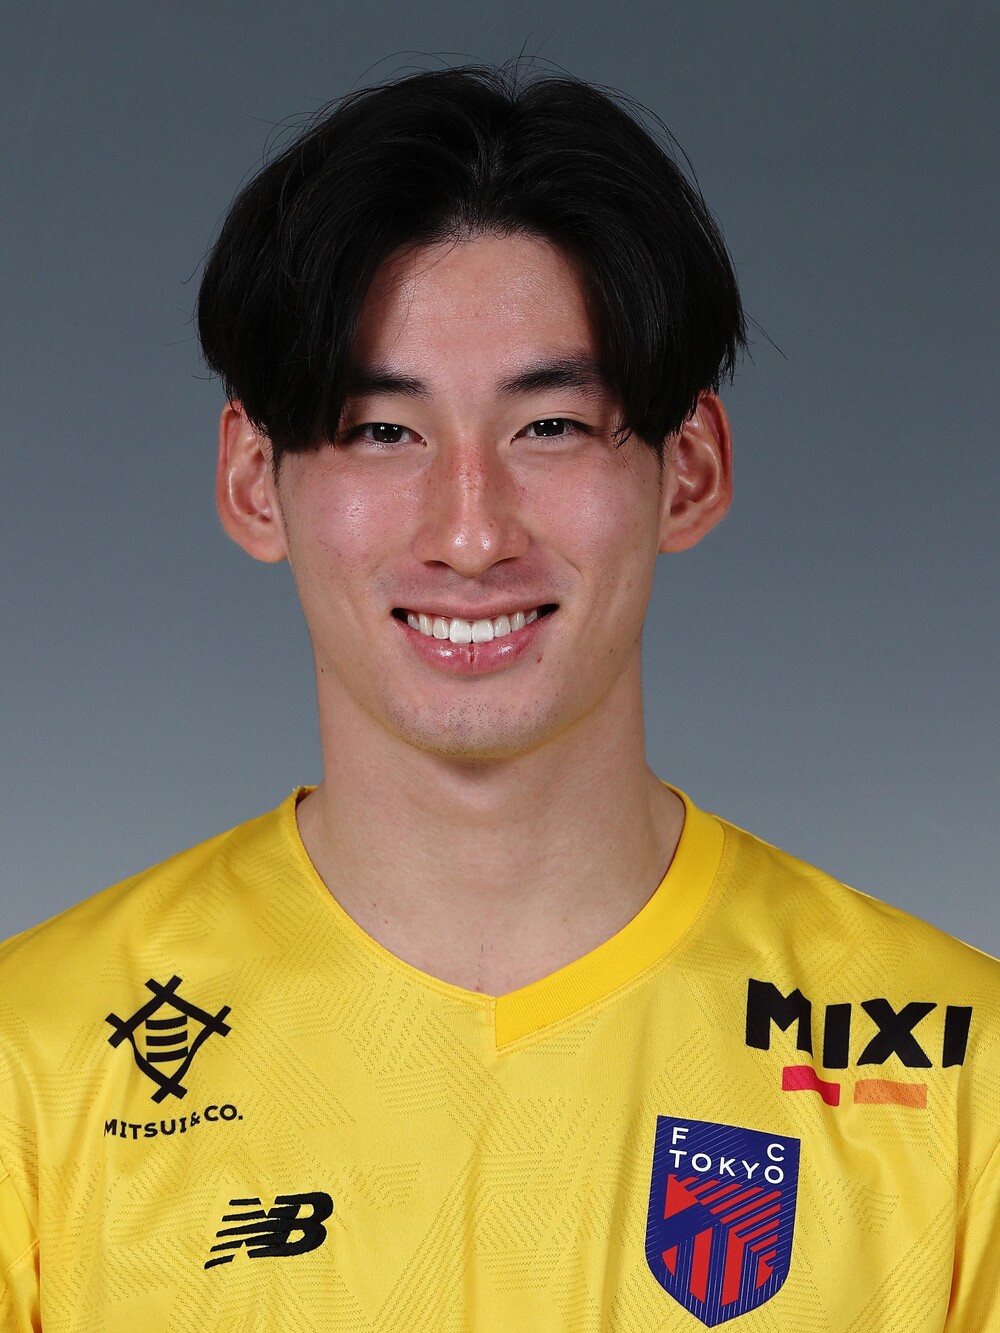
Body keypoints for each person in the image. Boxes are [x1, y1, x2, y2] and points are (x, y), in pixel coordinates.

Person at [0, 64, 997, 1333]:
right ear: (255, 483)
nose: (470, 533)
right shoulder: (31, 1062)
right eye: (381, 430)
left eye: (551, 427)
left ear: (689, 471)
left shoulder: (963, 1073)